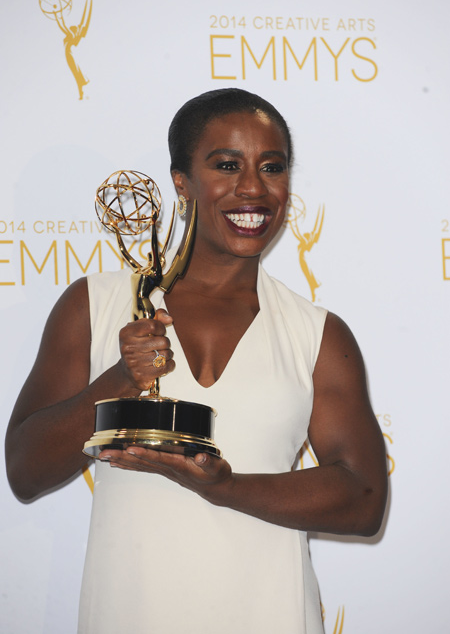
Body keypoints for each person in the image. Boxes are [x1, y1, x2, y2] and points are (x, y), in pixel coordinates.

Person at [5, 88, 388, 633]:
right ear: (181, 183)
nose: (253, 187)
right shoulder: (95, 305)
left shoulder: (317, 334)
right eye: (227, 165)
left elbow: (364, 500)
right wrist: (120, 380)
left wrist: (224, 488)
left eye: (272, 167)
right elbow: (24, 471)